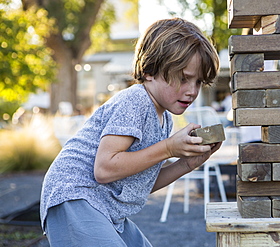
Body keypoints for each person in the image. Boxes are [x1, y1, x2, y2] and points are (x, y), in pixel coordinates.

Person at [40, 18, 221, 246]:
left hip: (103, 207)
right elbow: (105, 169)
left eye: (199, 82)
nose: (192, 91)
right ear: (150, 71)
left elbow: (140, 182)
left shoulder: (163, 118)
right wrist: (168, 148)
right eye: (184, 78)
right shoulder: (136, 101)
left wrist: (186, 164)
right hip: (75, 197)